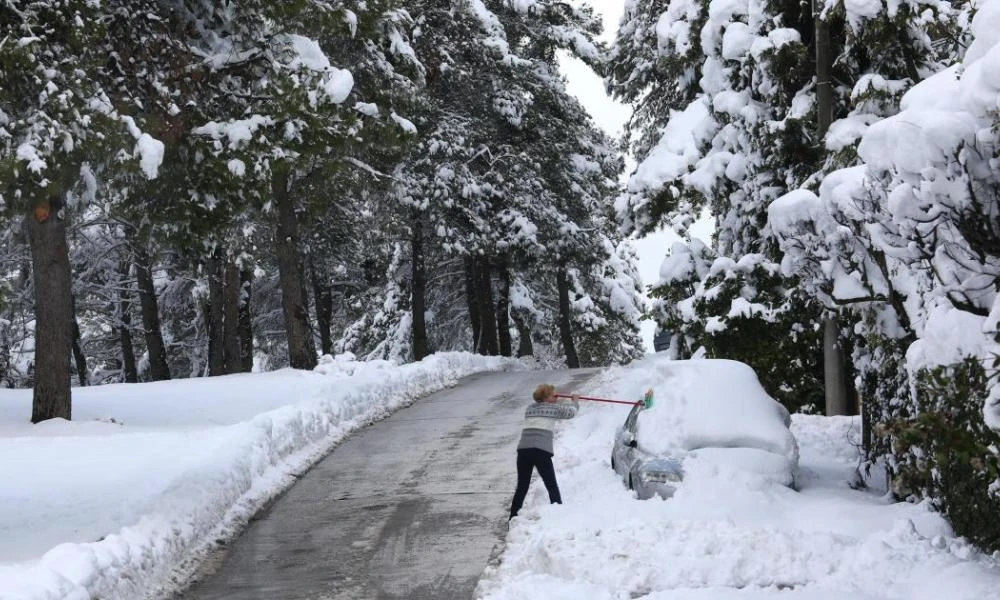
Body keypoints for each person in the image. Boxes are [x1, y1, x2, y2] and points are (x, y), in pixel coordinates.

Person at [509, 383, 579, 520]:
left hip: (523, 450)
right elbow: (571, 413)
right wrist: (575, 401)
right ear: (546, 397)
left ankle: (512, 517)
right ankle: (558, 514)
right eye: (554, 395)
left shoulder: (529, 409)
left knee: (522, 486)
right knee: (551, 484)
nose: (557, 397)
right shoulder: (553, 408)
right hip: (541, 450)